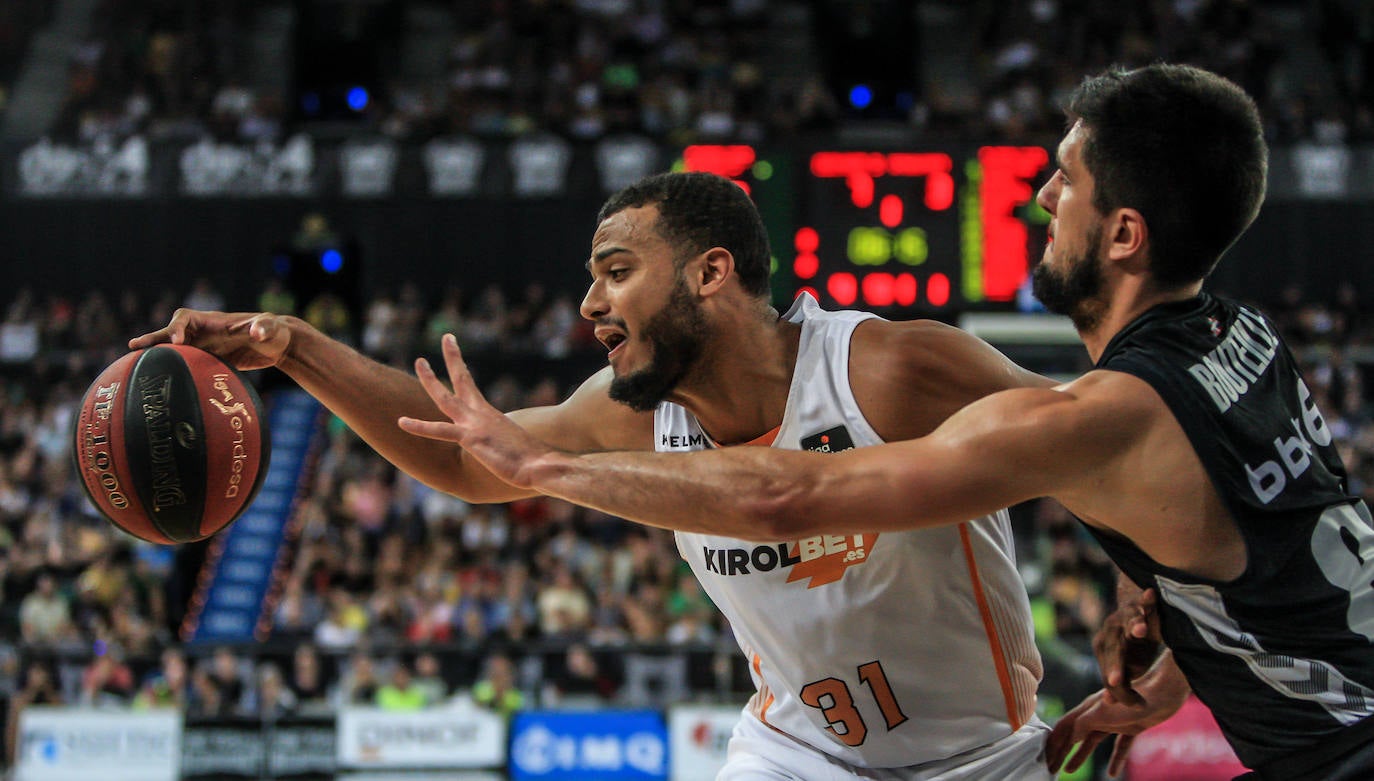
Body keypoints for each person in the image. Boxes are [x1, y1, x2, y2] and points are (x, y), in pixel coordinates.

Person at [399, 64, 1374, 780]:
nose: (1038, 197)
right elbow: (1222, 521)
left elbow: (790, 491)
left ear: (1123, 234)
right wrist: (1172, 648)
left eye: (1065, 181)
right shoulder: (1235, 337)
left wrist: (543, 466)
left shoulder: (1097, 409)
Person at [132, 171, 1056, 777]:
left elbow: (1096, 440)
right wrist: (293, 346)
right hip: (797, 752)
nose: (589, 304)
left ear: (710, 272)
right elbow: (467, 457)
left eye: (616, 272)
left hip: (982, 756)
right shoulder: (632, 410)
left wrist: (1154, 610)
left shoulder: (887, 370)